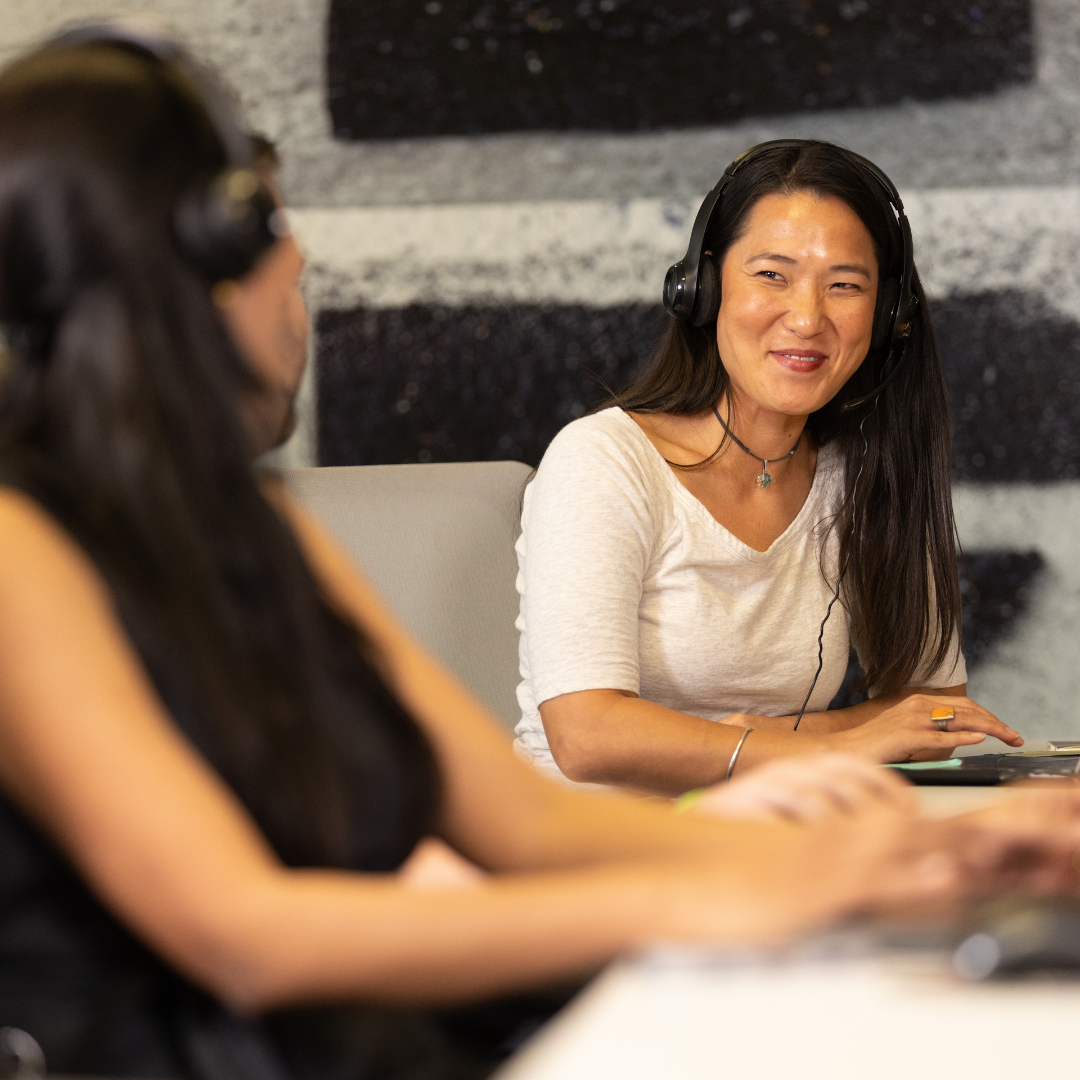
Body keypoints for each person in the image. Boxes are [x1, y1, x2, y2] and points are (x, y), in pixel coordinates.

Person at [0, 25, 1078, 1080]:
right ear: (188, 271)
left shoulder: (254, 523)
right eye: (274, 221)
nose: (303, 258)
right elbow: (246, 934)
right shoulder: (22, 549)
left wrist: (920, 860)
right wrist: (726, 895)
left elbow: (525, 822)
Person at [514, 139, 1024, 796]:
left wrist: (793, 736)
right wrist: (844, 739)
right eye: (771, 275)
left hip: (762, 833)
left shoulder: (868, 472)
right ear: (702, 287)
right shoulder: (604, 461)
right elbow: (588, 736)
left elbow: (939, 710)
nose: (808, 318)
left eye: (845, 285)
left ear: (889, 315)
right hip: (584, 843)